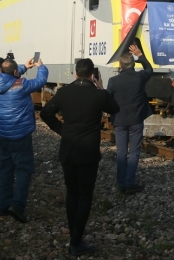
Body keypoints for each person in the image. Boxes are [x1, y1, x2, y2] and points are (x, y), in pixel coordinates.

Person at [40, 58, 120, 256]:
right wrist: (101, 87)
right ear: (93, 75)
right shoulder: (98, 95)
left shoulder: (64, 92)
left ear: (75, 73)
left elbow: (45, 113)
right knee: (85, 196)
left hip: (68, 150)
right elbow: (115, 108)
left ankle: (73, 235)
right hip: (88, 153)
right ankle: (76, 241)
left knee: (72, 193)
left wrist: (62, 130)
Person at [0, 57, 48, 223]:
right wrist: (40, 66)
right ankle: (17, 206)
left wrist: (23, 67)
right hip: (20, 135)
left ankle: (2, 206)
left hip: (2, 134)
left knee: (6, 170)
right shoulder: (21, 85)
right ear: (15, 73)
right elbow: (41, 80)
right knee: (24, 170)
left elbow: (8, 77)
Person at [106, 44, 153, 194]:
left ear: (120, 66)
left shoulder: (113, 81)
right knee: (134, 152)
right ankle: (129, 182)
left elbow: (108, 100)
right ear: (133, 65)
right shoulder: (139, 77)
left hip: (119, 121)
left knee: (121, 152)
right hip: (136, 120)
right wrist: (140, 55)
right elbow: (149, 69)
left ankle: (121, 183)